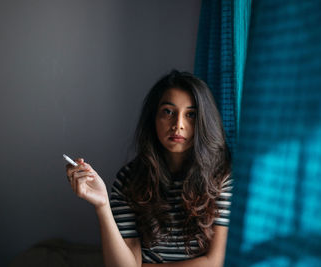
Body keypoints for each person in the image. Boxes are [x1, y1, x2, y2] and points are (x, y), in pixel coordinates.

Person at [65, 70, 232, 267]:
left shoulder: (220, 177)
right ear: (153, 118)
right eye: (168, 112)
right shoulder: (129, 179)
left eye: (191, 115)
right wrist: (102, 206)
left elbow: (215, 261)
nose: (178, 125)